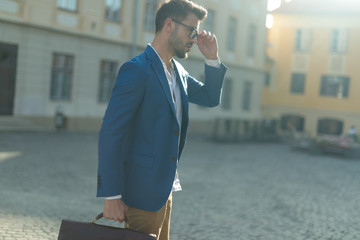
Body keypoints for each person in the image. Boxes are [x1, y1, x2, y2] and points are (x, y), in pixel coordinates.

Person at [96, 0, 227, 239]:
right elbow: (110, 133)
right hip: (140, 195)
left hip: (164, 191)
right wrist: (112, 195)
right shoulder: (136, 70)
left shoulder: (179, 72)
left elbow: (210, 98)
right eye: (192, 31)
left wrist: (212, 59)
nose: (194, 39)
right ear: (169, 24)